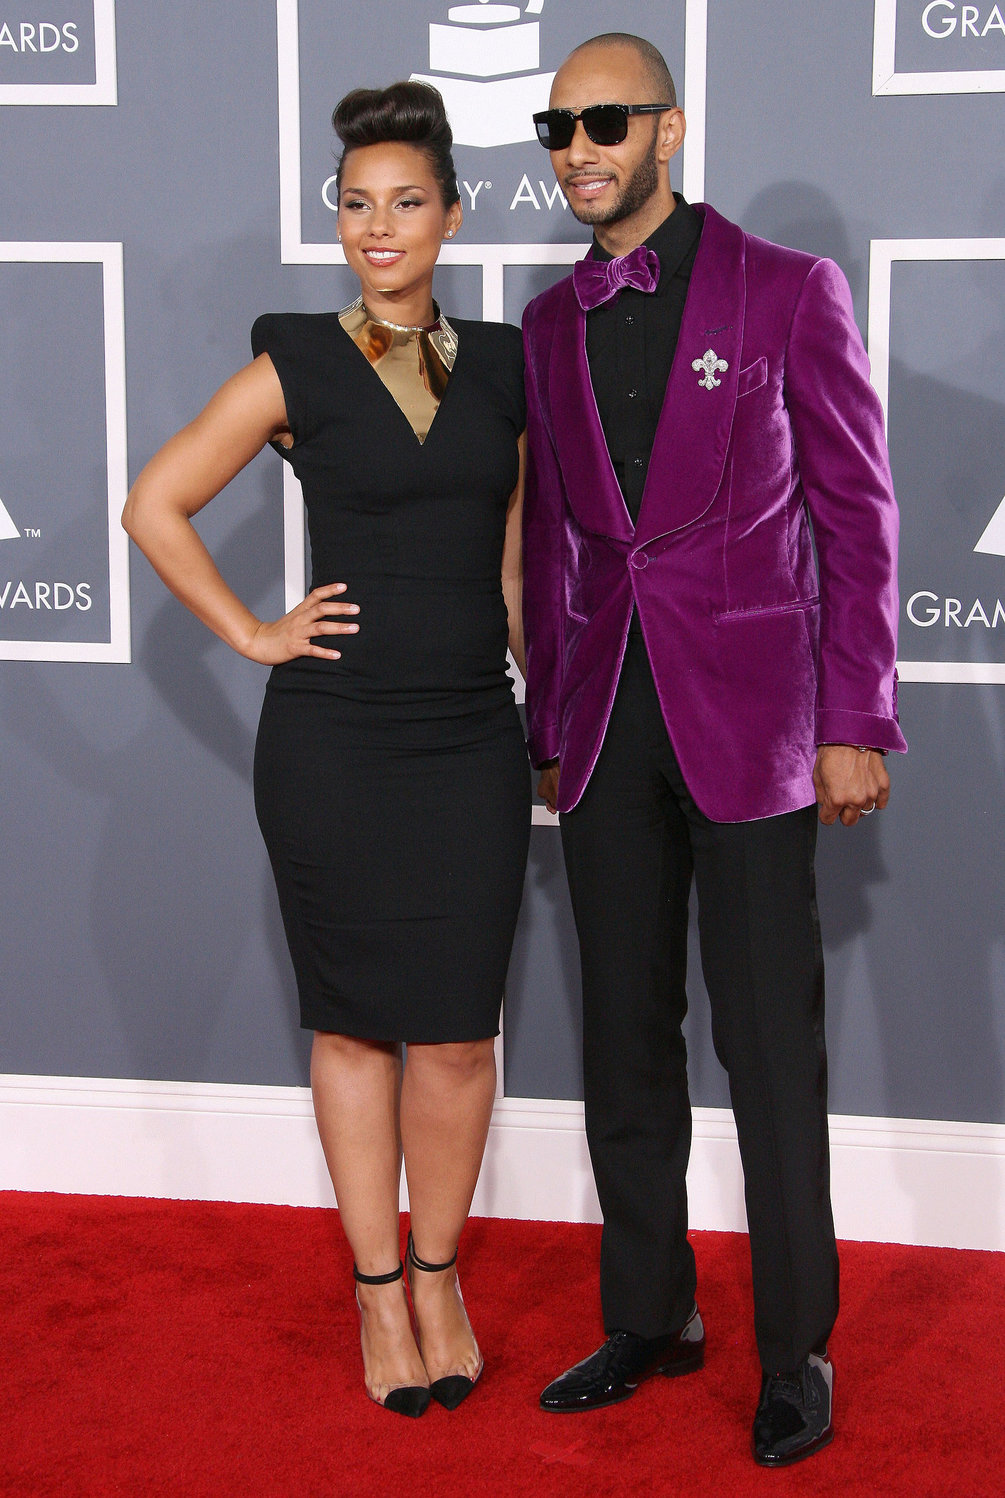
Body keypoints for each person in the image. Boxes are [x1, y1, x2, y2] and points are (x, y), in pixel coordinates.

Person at [521, 33, 906, 1466]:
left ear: (667, 131)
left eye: (603, 120)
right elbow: (556, 542)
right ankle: (650, 1312)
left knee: (766, 1046)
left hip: (754, 721)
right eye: (555, 126)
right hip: (607, 720)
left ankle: (793, 1345)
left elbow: (858, 520)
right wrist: (551, 719)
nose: (577, 147)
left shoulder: (784, 289)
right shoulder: (551, 321)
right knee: (621, 1035)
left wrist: (855, 714)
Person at [123, 81, 530, 1419]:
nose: (378, 225)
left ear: (452, 217)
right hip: (336, 740)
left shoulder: (513, 367)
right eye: (356, 203)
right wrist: (250, 628)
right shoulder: (296, 357)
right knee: (354, 1023)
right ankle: (373, 1289)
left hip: (471, 730)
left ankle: (437, 1272)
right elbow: (153, 502)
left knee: (460, 1035)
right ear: (336, 219)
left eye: (405, 201)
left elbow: (517, 558)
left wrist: (543, 697)